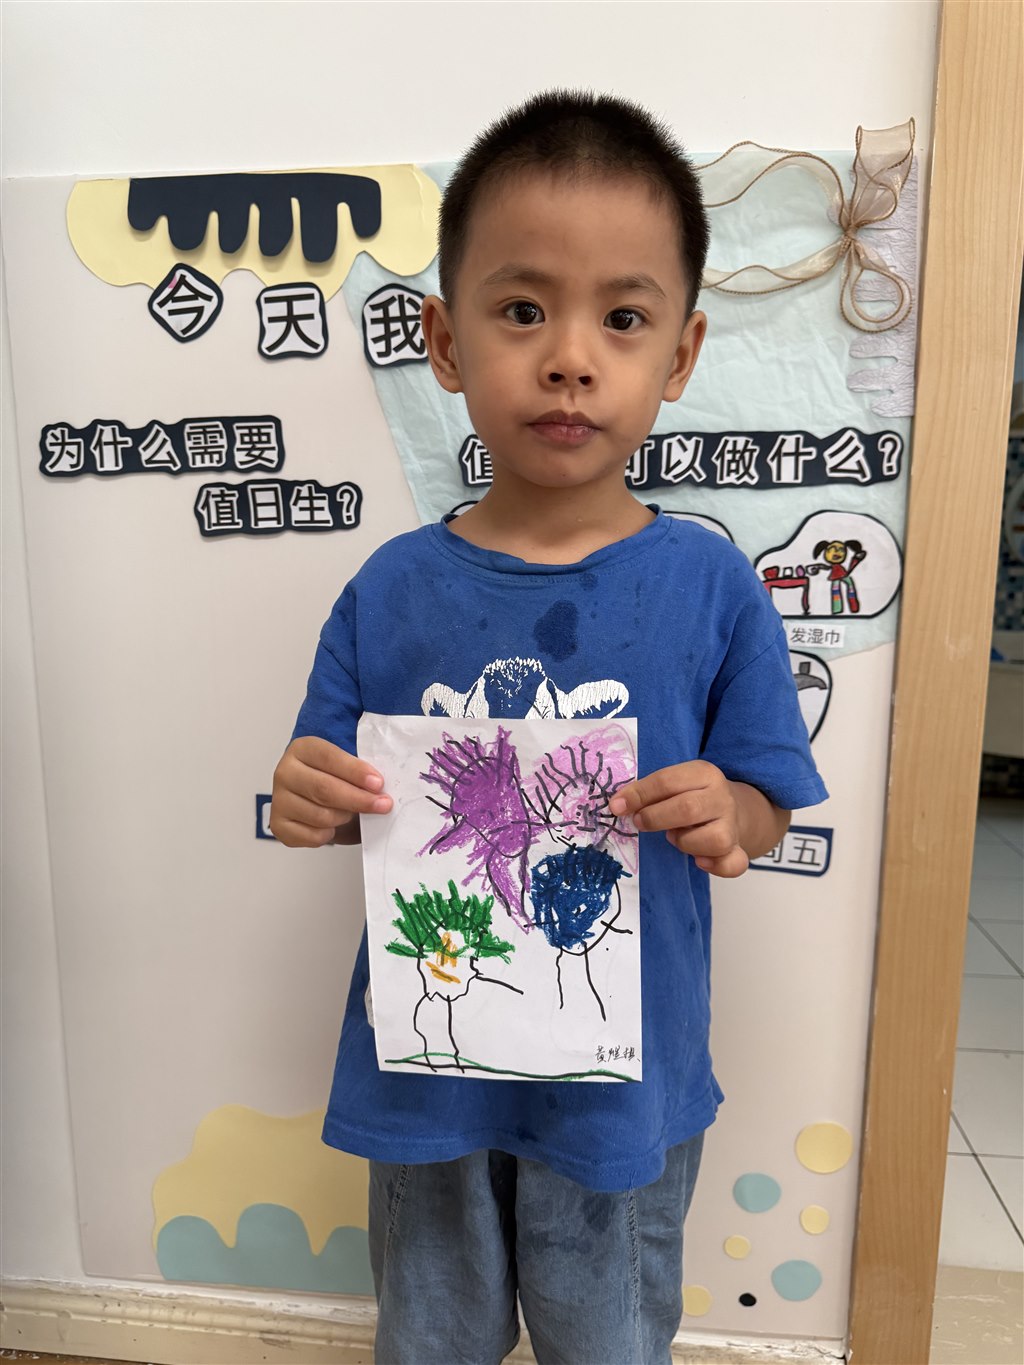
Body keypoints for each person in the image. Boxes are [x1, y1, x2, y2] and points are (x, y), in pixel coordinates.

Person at [270, 90, 828, 1365]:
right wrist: (307, 795)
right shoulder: (388, 591)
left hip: (621, 1085)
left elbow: (764, 805)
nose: (570, 357)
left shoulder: (711, 588)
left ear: (678, 355)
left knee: (610, 1339)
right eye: (521, 310)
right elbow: (331, 791)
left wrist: (728, 812)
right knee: (431, 1335)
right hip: (432, 1062)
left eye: (621, 318)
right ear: (444, 340)